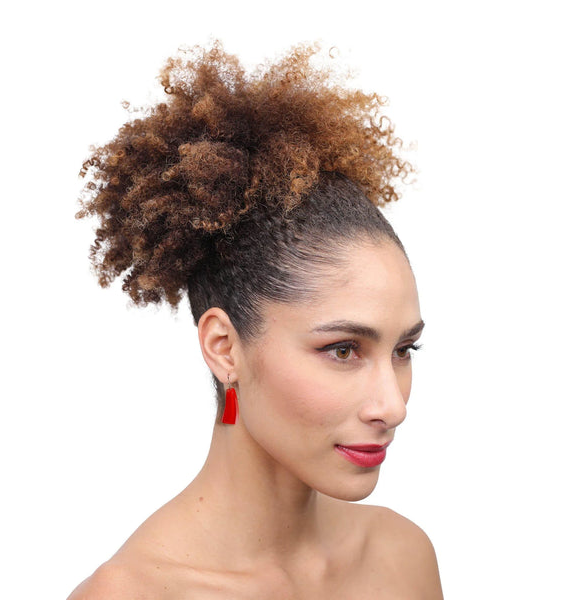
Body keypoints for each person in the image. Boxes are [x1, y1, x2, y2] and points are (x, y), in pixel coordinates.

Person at [69, 41, 444, 599]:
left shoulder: (402, 559)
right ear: (224, 347)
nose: (393, 407)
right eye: (343, 350)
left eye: (403, 351)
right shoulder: (131, 594)